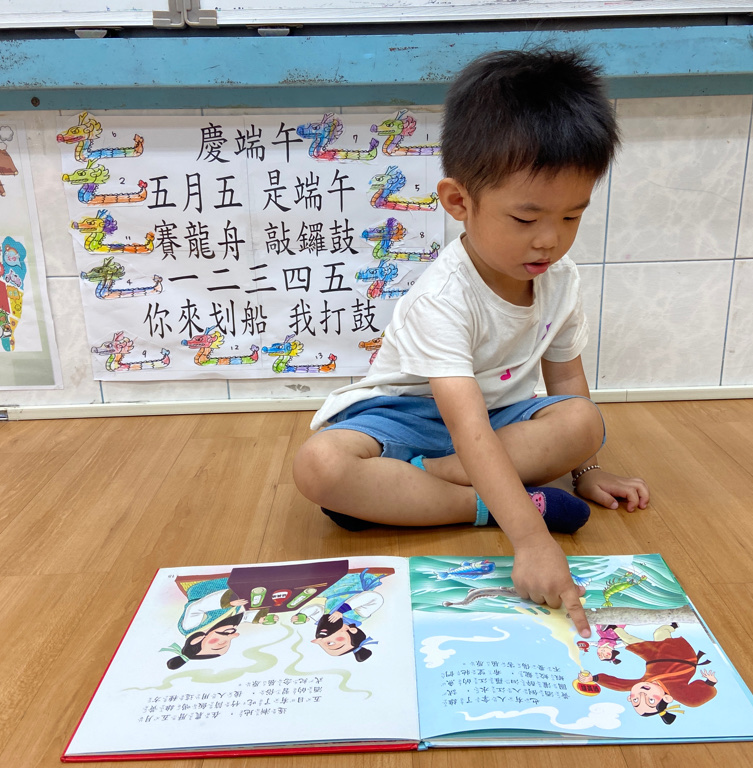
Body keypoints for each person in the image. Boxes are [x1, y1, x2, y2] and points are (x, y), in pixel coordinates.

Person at [293, 48, 649, 638]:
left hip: (493, 421)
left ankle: (419, 486)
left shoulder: (561, 280)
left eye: (571, 217)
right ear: (459, 202)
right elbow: (466, 426)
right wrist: (530, 539)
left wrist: (585, 469)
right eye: (525, 219)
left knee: (584, 421)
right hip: (404, 418)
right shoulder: (444, 295)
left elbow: (565, 379)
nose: (549, 240)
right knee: (320, 467)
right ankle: (500, 502)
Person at [576, 624, 718, 723]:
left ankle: (672, 625)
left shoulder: (643, 683)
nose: (642, 695)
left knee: (659, 633)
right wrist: (710, 682)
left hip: (656, 658)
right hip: (681, 657)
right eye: (650, 701)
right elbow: (694, 700)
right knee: (642, 639)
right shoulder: (676, 691)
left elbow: (619, 684)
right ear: (666, 698)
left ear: (630, 698)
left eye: (636, 700)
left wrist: (594, 678)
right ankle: (614, 628)